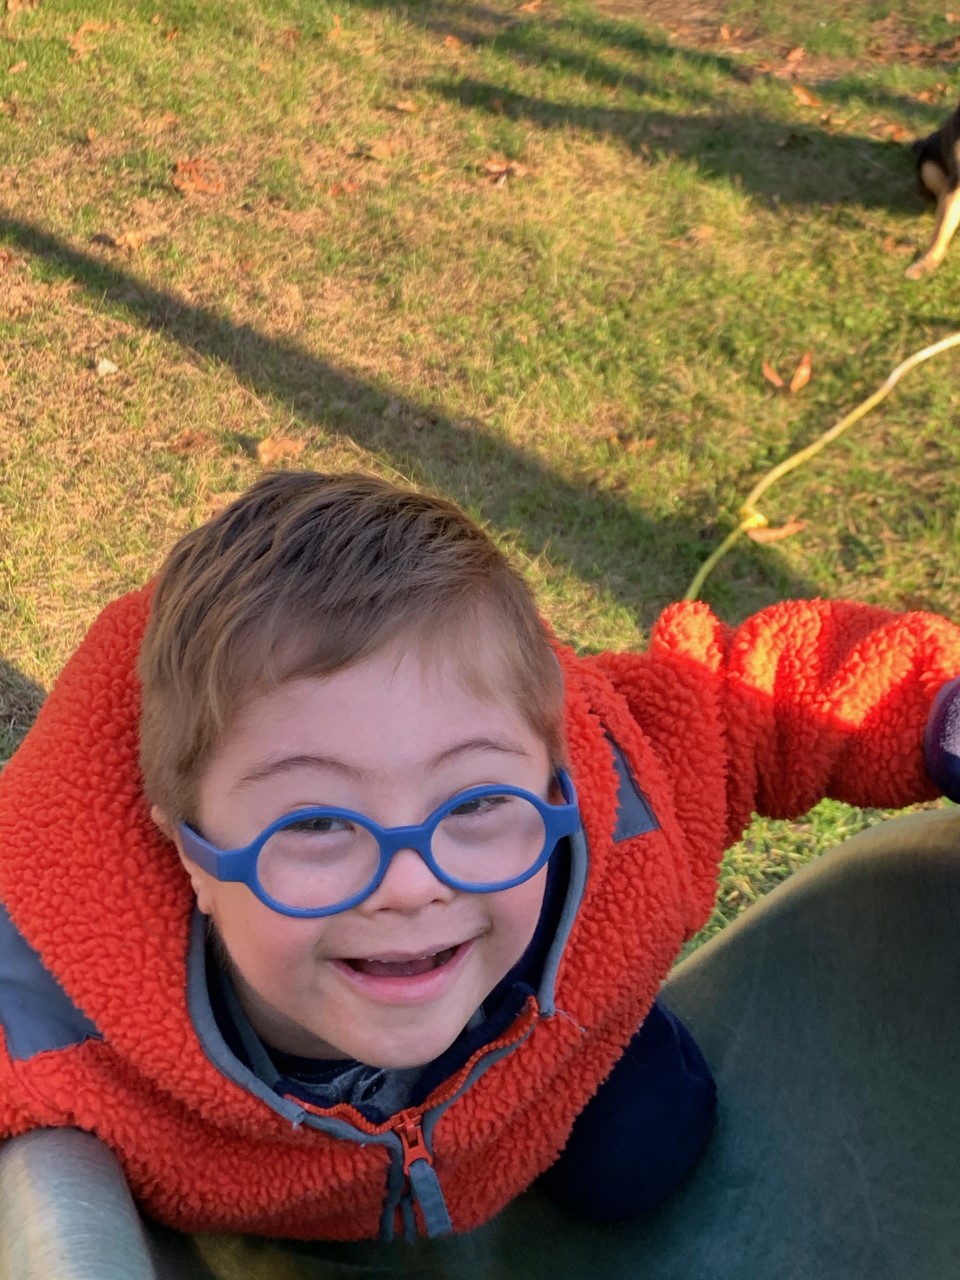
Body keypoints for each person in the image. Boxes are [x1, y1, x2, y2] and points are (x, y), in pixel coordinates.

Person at [0, 469, 959, 1246]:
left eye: (478, 800)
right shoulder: (51, 1010)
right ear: (192, 853)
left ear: (553, 781)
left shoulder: (625, 800)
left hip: (541, 1072)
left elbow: (771, 698)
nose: (413, 883)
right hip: (269, 1179)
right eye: (318, 825)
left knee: (650, 1149)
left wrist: (942, 712)